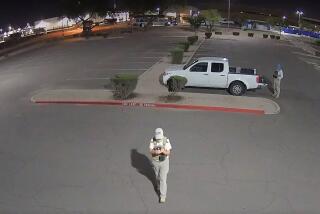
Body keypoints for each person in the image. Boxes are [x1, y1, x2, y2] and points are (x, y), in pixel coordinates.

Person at [149, 128, 172, 203]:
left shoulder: (166, 140)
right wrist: (155, 151)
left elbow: (168, 152)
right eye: (157, 138)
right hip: (155, 162)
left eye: (159, 138)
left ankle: (163, 196)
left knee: (163, 179)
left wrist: (163, 151)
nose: (158, 139)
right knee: (156, 175)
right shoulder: (153, 140)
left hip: (164, 162)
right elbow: (150, 150)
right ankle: (157, 184)